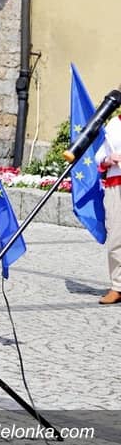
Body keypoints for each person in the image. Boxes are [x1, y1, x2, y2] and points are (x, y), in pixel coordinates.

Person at [95, 114, 121, 305]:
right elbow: (99, 156)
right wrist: (108, 159)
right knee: (116, 237)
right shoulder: (114, 124)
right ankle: (118, 286)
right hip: (115, 183)